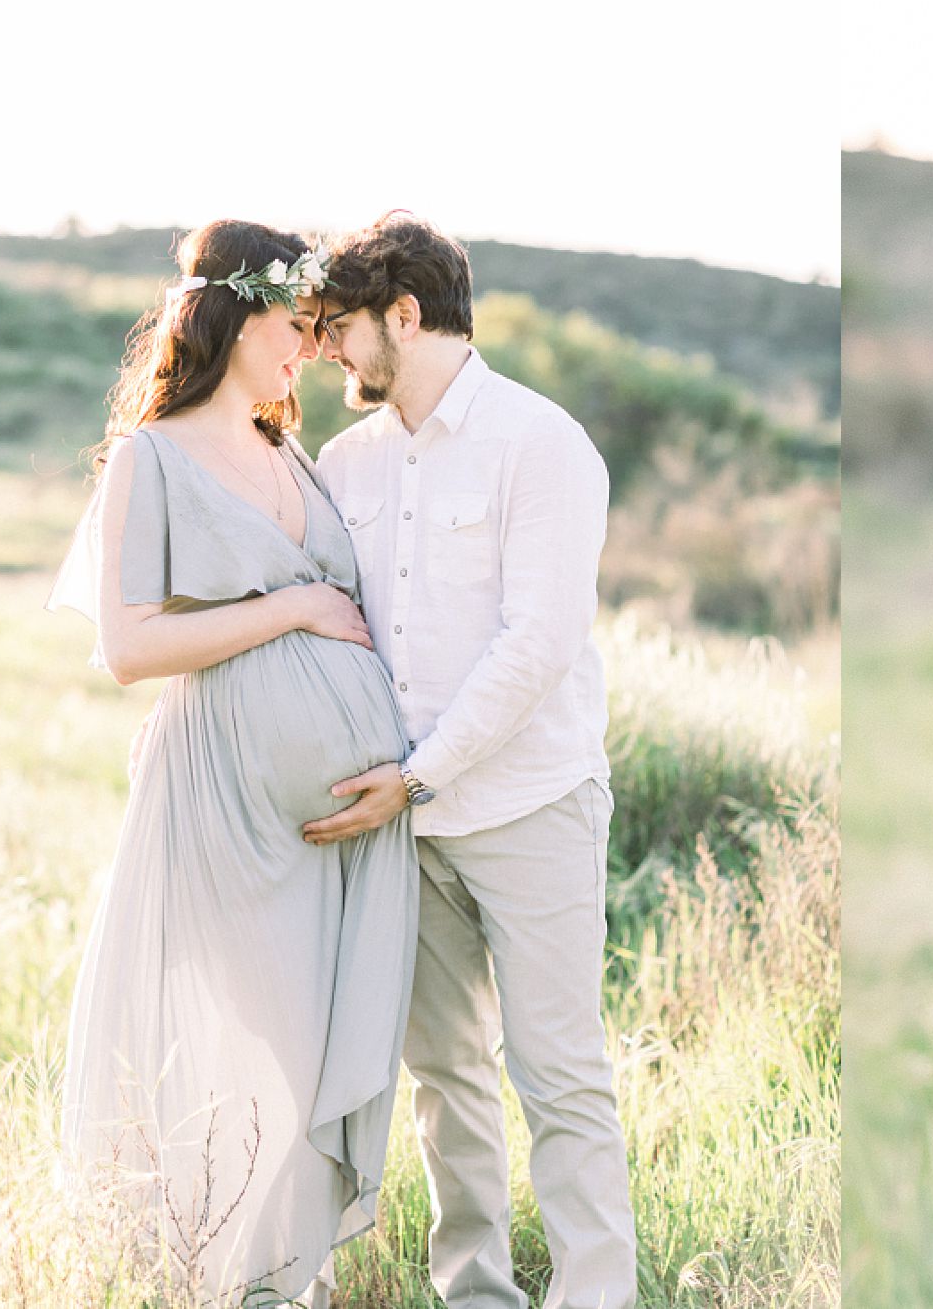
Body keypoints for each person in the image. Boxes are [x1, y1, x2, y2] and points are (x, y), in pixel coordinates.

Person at [47, 220, 418, 1307]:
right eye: (290, 325)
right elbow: (127, 649)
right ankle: (217, 1281)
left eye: (311, 330)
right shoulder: (150, 456)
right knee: (255, 1046)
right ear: (230, 318)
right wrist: (292, 607)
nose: (305, 347)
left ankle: (279, 1283)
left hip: (344, 824)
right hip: (223, 800)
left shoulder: (288, 450)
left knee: (311, 1053)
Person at [300, 210, 639, 1309]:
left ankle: (595, 1296)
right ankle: (477, 1295)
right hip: (400, 823)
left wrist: (423, 772)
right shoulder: (343, 462)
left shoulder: (541, 445)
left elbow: (536, 643)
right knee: (444, 1079)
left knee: (561, 1076)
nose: (329, 351)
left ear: (405, 313)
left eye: (341, 326)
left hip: (528, 804)